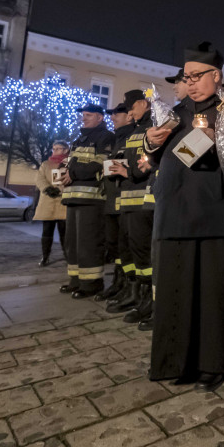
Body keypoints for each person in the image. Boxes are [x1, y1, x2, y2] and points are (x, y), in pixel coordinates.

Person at [145, 41, 224, 392]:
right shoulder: (175, 112)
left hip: (216, 214)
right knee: (176, 290)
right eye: (187, 77)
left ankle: (215, 361)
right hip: (174, 212)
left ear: (217, 75)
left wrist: (219, 140)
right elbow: (154, 159)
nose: (191, 82)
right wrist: (150, 142)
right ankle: (177, 360)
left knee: (215, 292)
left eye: (197, 76)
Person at [60, 104, 116, 298]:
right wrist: (63, 171)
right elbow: (70, 163)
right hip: (73, 197)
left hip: (92, 199)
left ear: (100, 118)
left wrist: (72, 172)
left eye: (89, 115)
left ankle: (92, 283)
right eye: (83, 115)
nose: (83, 118)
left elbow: (99, 164)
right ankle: (76, 280)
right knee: (72, 243)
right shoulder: (79, 139)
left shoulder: (105, 137)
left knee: (89, 243)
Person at [112, 89, 156, 330]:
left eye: (131, 108)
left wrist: (127, 171)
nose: (129, 113)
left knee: (144, 251)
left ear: (143, 103)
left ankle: (150, 300)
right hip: (127, 201)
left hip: (142, 201)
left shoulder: (153, 126)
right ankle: (138, 294)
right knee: (131, 250)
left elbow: (146, 163)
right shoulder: (136, 130)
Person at [96, 104, 134, 302]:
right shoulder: (117, 138)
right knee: (114, 244)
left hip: (124, 199)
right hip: (112, 200)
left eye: (116, 114)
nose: (112, 117)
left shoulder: (132, 136)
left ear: (129, 116)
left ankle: (129, 285)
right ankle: (119, 282)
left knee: (125, 245)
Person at [34, 140, 69, 267]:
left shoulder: (69, 163)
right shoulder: (45, 164)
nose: (54, 151)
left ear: (66, 150)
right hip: (48, 201)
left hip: (63, 202)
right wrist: (47, 188)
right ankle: (45, 256)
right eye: (53, 148)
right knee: (47, 231)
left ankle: (68, 255)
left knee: (64, 232)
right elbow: (39, 178)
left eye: (58, 148)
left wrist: (60, 190)